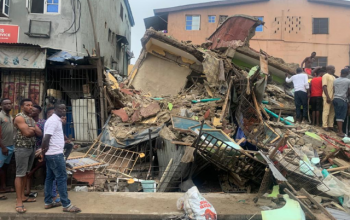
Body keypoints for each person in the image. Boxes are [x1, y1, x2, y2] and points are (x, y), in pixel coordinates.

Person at [42, 103, 81, 213]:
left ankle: (48, 202)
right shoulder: (53, 121)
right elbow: (46, 138)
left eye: (65, 108)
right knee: (62, 178)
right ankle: (66, 205)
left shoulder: (56, 120)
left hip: (52, 154)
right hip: (55, 154)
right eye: (60, 108)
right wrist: (43, 151)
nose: (63, 110)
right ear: (55, 109)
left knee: (50, 178)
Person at [13, 99, 42, 213]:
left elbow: (39, 133)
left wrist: (32, 129)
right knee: (20, 174)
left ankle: (23, 196)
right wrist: (32, 130)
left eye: (31, 105)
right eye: (27, 105)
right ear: (22, 106)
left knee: (26, 173)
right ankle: (19, 201)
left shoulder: (31, 119)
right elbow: (27, 133)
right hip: (21, 148)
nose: (30, 107)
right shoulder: (20, 118)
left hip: (31, 148)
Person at [25, 105, 45, 197]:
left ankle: (47, 190)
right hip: (29, 147)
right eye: (31, 110)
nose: (32, 111)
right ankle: (28, 190)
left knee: (42, 167)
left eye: (35, 110)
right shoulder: (25, 121)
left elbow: (43, 135)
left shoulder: (43, 122)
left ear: (39, 112)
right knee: (28, 170)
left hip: (40, 148)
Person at [0, 99, 14, 200]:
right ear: (1, 105)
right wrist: (3, 146)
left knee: (5, 167)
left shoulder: (10, 116)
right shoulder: (0, 116)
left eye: (10, 103)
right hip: (2, 146)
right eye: (6, 104)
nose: (8, 105)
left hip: (10, 146)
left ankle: (3, 187)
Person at [332, 69, 350, 137]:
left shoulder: (335, 80)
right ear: (347, 73)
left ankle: (339, 130)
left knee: (337, 114)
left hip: (335, 98)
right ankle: (340, 132)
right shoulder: (348, 81)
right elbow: (349, 91)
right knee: (341, 116)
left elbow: (333, 90)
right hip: (342, 99)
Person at [322, 65, 336, 131]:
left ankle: (331, 125)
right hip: (327, 96)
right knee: (326, 111)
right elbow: (324, 86)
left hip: (333, 97)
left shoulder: (334, 77)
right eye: (333, 68)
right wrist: (327, 96)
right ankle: (325, 125)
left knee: (332, 112)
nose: (334, 70)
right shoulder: (325, 76)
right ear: (330, 69)